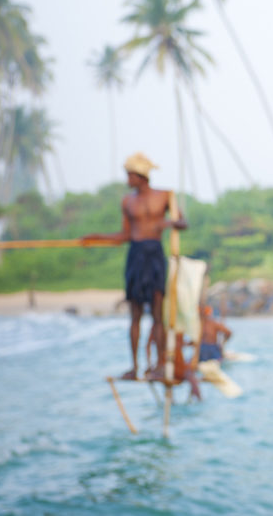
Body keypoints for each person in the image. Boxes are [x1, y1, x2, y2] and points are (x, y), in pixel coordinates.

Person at [83, 152, 187, 381]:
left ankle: (160, 365)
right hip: (136, 255)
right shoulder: (128, 201)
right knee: (135, 315)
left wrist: (167, 223)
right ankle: (134, 367)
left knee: (158, 314)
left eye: (130, 175)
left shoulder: (165, 196)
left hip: (155, 254)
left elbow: (182, 222)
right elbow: (124, 236)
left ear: (141, 176)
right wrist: (97, 237)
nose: (127, 180)